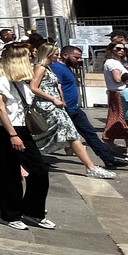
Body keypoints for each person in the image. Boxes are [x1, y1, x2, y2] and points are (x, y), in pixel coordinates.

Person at [0, 42, 53, 230]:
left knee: (39, 171)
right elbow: (0, 108)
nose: (31, 59)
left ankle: (33, 211)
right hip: (7, 131)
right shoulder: (2, 81)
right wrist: (13, 134)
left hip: (22, 129)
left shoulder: (21, 83)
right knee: (9, 173)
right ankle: (9, 215)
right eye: (27, 57)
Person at [28, 44, 115, 179]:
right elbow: (33, 87)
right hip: (47, 107)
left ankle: (90, 167)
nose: (57, 56)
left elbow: (57, 86)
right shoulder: (40, 67)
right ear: (48, 54)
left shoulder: (49, 68)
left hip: (56, 107)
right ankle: (90, 167)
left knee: (71, 134)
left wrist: (60, 100)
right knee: (67, 134)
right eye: (55, 54)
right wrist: (53, 99)